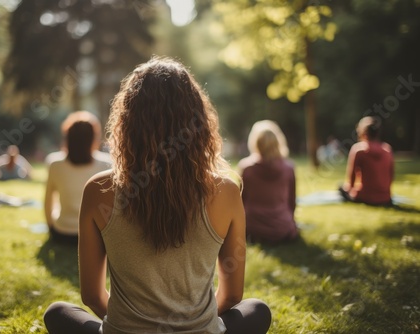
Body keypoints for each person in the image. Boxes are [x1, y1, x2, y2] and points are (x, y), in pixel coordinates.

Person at [43, 57, 271, 334]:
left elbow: (91, 296)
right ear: (197, 123)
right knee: (257, 309)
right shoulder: (226, 191)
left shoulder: (98, 190)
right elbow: (233, 296)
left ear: (126, 123)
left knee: (58, 312)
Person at [44, 111, 111, 244]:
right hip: (95, 237)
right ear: (94, 138)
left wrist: (51, 228)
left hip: (62, 234)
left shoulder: (54, 163)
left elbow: (48, 202)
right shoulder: (107, 163)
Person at [238, 120, 299, 244]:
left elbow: (240, 203)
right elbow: (291, 203)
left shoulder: (246, 168)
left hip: (252, 230)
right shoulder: (289, 168)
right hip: (283, 230)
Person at [338, 116, 394, 206]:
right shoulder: (387, 149)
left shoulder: (358, 150)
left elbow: (351, 180)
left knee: (341, 187)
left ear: (362, 132)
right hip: (385, 198)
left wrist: (348, 190)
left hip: (365, 197)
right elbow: (391, 176)